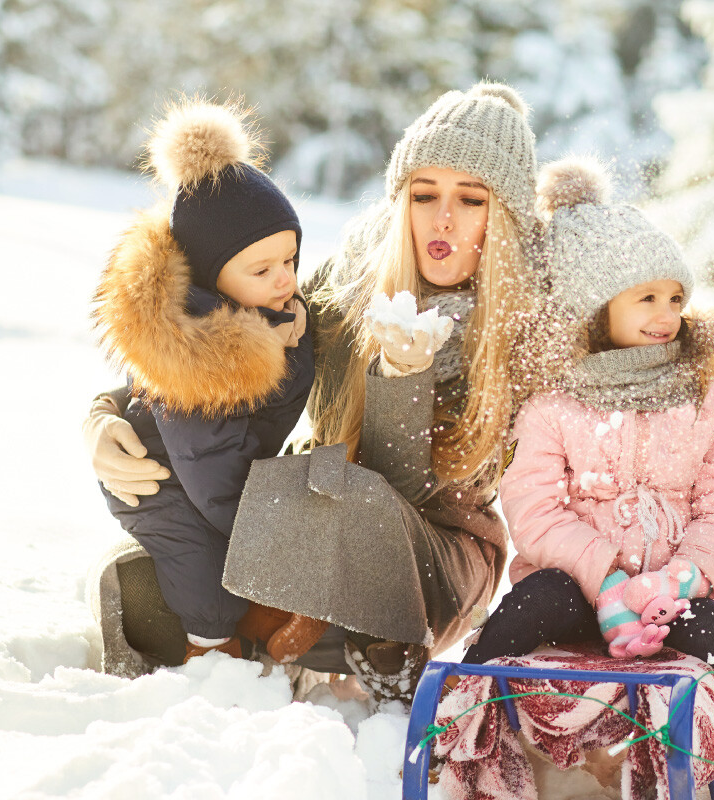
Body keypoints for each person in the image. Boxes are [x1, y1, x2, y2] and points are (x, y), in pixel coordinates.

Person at [83, 83, 543, 700]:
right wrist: (107, 415)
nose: (443, 220)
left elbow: (398, 484)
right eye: (424, 194)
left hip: (428, 557)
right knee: (149, 566)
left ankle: (317, 633)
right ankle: (253, 628)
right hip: (320, 515)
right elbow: (218, 349)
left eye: (472, 199)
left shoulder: (529, 328)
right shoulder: (350, 287)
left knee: (341, 498)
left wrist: (402, 383)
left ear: (506, 214)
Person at [462, 158, 714, 800]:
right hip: (580, 588)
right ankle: (462, 712)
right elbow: (533, 508)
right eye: (646, 298)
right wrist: (606, 578)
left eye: (675, 297)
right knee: (526, 608)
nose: (666, 312)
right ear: (595, 308)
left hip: (672, 594)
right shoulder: (554, 404)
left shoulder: (707, 399)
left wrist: (684, 575)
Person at [90, 100, 323, 663]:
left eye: (289, 259)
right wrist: (275, 545)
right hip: (162, 481)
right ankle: (211, 652)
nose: (286, 279)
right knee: (203, 574)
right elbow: (214, 479)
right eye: (262, 271)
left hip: (218, 473)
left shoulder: (276, 315)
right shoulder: (197, 360)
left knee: (234, 549)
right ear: (211, 279)